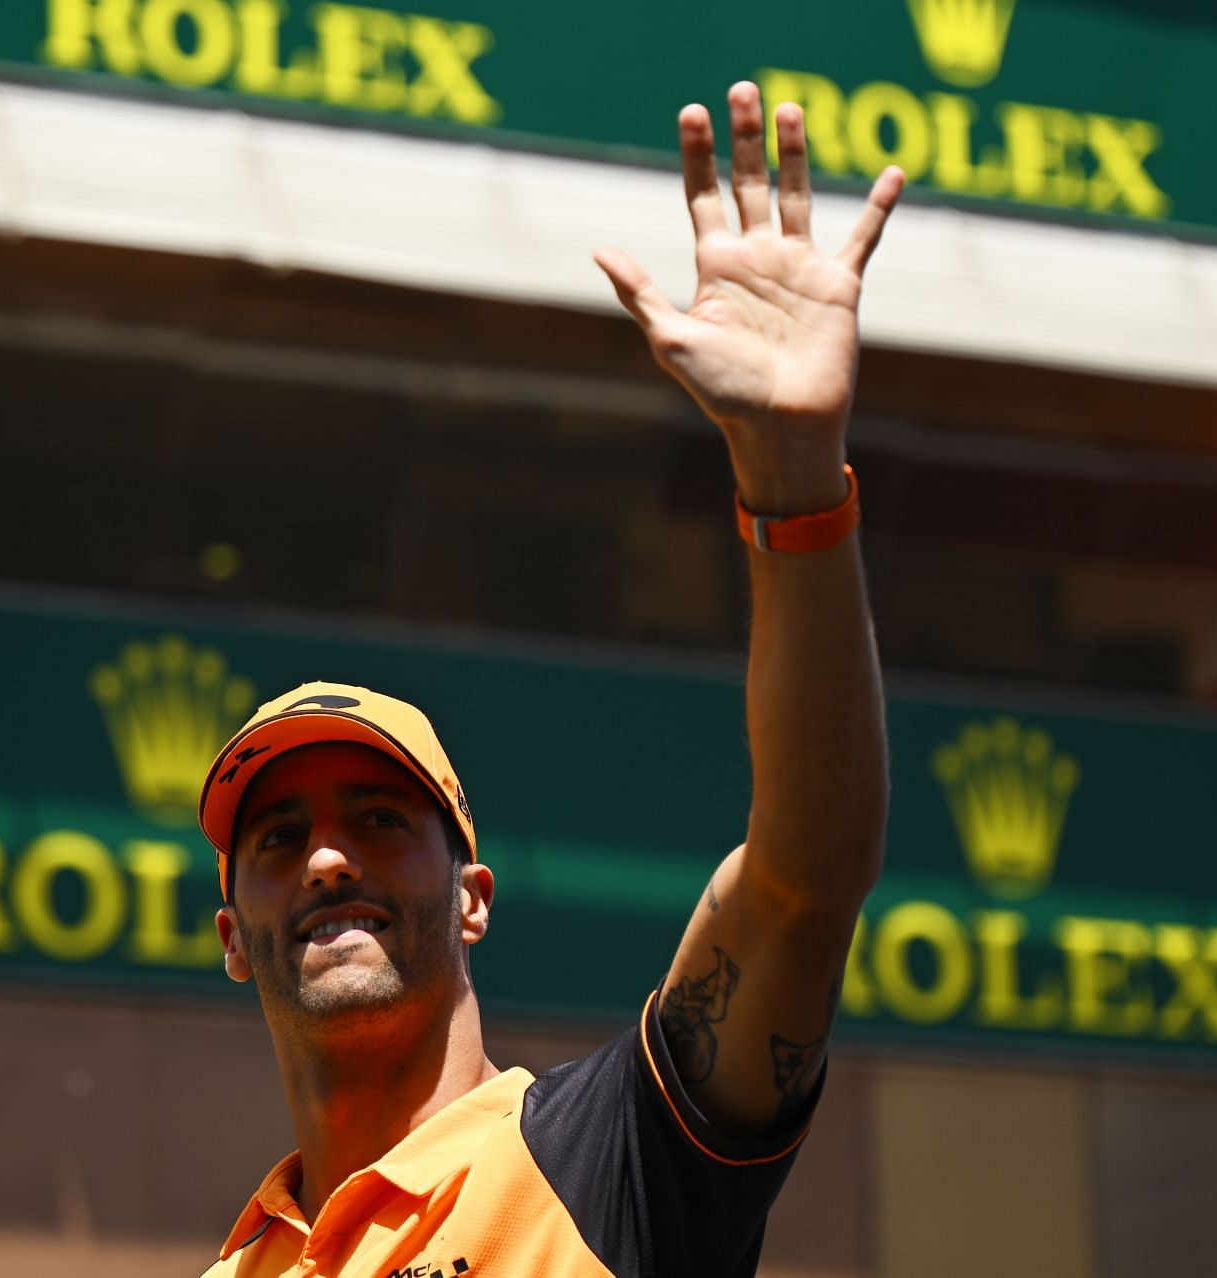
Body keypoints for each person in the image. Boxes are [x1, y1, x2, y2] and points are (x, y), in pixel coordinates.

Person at [194, 82, 902, 1278]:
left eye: (377, 819)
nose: (326, 857)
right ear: (231, 935)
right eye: (277, 839)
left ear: (471, 896)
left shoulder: (606, 1159)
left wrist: (793, 480)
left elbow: (803, 877)